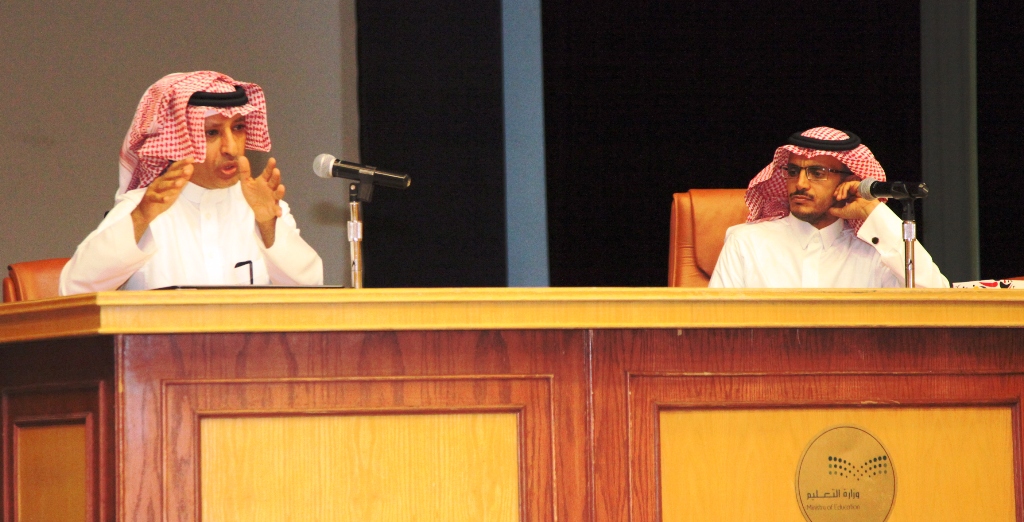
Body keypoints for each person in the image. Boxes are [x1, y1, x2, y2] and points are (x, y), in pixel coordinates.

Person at [60, 71, 323, 294]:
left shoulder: (262, 208)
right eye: (212, 133)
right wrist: (140, 219)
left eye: (239, 128)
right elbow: (73, 290)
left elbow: (313, 289)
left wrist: (268, 225)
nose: (231, 148)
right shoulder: (143, 209)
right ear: (178, 140)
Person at [708, 127, 948, 288]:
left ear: (848, 180)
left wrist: (872, 213)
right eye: (793, 172)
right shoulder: (746, 243)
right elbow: (714, 326)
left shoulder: (876, 251)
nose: (800, 184)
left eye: (817, 173)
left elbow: (936, 296)